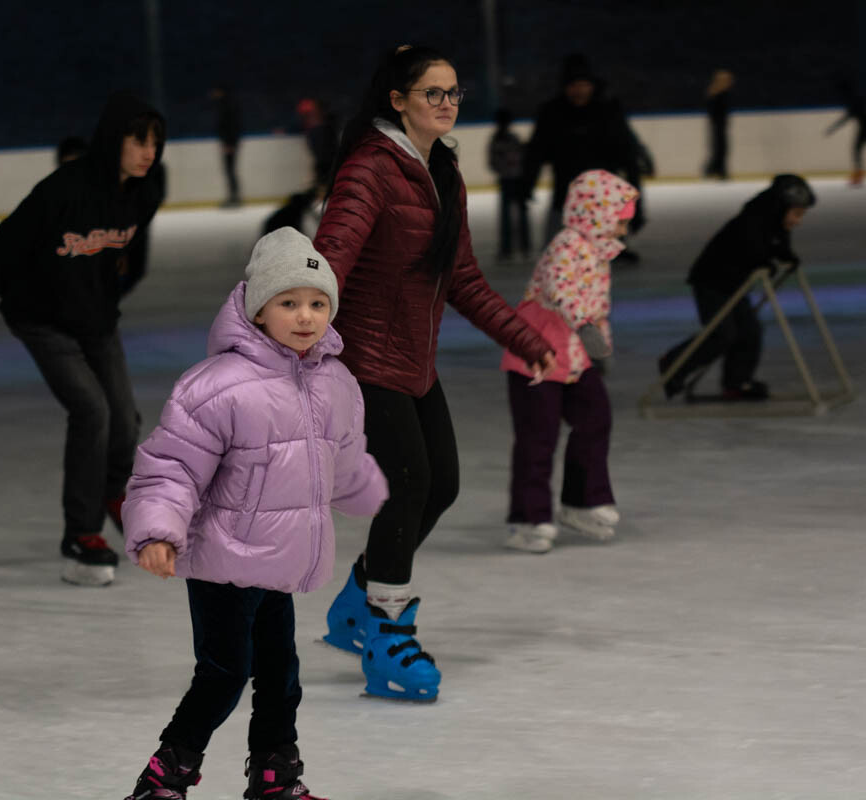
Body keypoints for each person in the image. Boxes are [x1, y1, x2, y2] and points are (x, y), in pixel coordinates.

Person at [312, 44, 554, 702]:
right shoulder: (369, 169)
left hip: (414, 364)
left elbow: (464, 280)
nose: (446, 105)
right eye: (432, 94)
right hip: (363, 361)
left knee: (439, 484)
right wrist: (294, 331)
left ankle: (356, 603)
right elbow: (328, 259)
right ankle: (387, 635)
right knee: (410, 482)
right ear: (397, 99)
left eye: (453, 94)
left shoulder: (441, 172)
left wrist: (524, 338)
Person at [121, 227, 387, 800]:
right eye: (288, 302)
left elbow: (343, 457)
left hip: (280, 563)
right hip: (222, 561)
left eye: (318, 303)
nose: (305, 316)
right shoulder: (217, 386)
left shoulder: (334, 382)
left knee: (280, 677)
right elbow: (171, 468)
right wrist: (157, 531)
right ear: (257, 308)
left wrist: (372, 494)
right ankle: (163, 780)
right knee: (222, 675)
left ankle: (274, 778)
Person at [0, 91, 165, 587]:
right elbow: (0, 251)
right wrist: (37, 300)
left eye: (155, 141)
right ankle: (81, 534)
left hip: (97, 321)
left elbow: (129, 257)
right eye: (137, 139)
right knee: (92, 411)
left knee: (124, 419)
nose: (149, 151)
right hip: (41, 320)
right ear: (112, 139)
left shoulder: (145, 191)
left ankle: (117, 497)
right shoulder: (64, 190)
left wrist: (103, 295)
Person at [500, 170, 637, 553]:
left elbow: (599, 307)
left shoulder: (600, 250)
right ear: (598, 213)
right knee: (537, 438)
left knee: (595, 421)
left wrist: (600, 344)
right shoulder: (567, 245)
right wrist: (584, 326)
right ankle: (528, 518)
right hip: (537, 354)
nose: (627, 222)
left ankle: (582, 501)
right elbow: (562, 289)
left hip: (577, 356)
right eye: (622, 214)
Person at [658, 174, 816, 401]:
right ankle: (673, 364)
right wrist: (765, 262)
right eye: (797, 214)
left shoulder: (774, 222)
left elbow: (777, 244)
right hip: (712, 281)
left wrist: (786, 258)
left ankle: (737, 383)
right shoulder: (752, 219)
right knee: (723, 334)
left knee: (749, 332)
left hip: (735, 285)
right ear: (782, 207)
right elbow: (750, 248)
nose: (798, 221)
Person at [522, 53, 639, 246]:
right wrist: (527, 184)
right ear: (565, 87)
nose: (579, 90)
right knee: (557, 258)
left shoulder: (607, 113)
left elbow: (627, 155)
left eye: (584, 84)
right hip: (564, 201)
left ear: (592, 85)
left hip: (602, 203)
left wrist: (634, 203)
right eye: (573, 85)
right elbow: (536, 152)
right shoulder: (552, 114)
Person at [488, 107, 530, 260]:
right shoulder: (511, 139)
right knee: (518, 214)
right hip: (514, 179)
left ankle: (509, 249)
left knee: (509, 215)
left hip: (509, 179)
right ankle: (522, 247)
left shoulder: (499, 139)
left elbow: (492, 162)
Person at [210, 85, 242, 206]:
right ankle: (233, 196)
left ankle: (234, 197)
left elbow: (232, 126)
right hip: (229, 142)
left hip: (230, 143)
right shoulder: (225, 105)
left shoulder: (228, 106)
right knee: (230, 170)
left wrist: (230, 143)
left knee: (230, 170)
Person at [703, 69, 734, 180]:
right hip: (718, 126)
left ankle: (716, 170)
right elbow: (716, 112)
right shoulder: (718, 94)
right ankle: (717, 170)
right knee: (720, 149)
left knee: (720, 149)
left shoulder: (718, 94)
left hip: (719, 125)